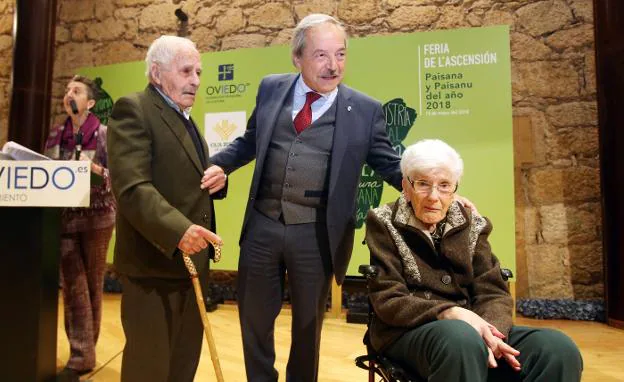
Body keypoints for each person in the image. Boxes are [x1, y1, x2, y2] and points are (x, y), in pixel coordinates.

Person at [203, 13, 404, 382]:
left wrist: (433, 186)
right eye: (321, 55)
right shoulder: (270, 88)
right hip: (263, 226)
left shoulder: (364, 109)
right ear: (297, 57)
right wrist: (220, 165)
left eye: (340, 55)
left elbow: (390, 165)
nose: (333, 66)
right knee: (253, 318)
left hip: (316, 234)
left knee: (308, 328)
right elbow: (249, 140)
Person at [365, 139, 583, 382]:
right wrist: (449, 312)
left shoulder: (473, 224)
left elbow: (492, 292)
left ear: (455, 188)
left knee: (557, 349)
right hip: (407, 331)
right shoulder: (384, 222)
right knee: (460, 340)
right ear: (406, 186)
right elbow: (389, 299)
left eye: (444, 185)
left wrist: (491, 334)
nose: (434, 196)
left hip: (474, 329)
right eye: (423, 184)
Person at [107, 35, 226, 382]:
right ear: (157, 74)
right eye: (186, 70)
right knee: (150, 369)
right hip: (153, 268)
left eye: (199, 72)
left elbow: (182, 178)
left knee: (181, 367)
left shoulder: (184, 118)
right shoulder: (133, 109)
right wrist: (178, 230)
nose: (196, 80)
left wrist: (217, 180)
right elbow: (131, 188)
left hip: (189, 269)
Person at [44, 75, 116, 379]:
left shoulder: (105, 135)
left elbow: (118, 176)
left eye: (76, 91)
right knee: (73, 285)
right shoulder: (54, 135)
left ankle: (85, 352)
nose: (68, 94)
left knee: (92, 285)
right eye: (66, 90)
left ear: (89, 103)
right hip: (64, 217)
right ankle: (80, 356)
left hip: (98, 218)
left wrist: (98, 170)